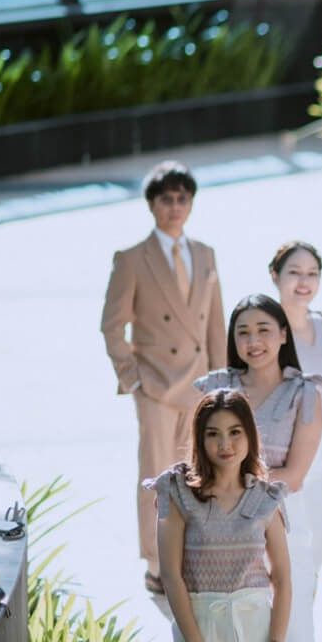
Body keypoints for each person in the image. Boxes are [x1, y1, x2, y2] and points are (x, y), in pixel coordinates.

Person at [195, 295, 322, 642]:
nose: (253, 341)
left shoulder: (305, 393)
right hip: (218, 528)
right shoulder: (217, 387)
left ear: (283, 334)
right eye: (243, 332)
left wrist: (236, 486)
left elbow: (295, 474)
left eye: (263, 330)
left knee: (292, 635)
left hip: (283, 519)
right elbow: (196, 460)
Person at [100, 160, 226, 595]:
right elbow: (111, 326)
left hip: (199, 385)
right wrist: (133, 379)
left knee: (199, 473)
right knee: (156, 475)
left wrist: (220, 381)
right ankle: (156, 562)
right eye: (167, 199)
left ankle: (190, 557)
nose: (175, 206)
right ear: (152, 204)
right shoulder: (132, 258)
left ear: (191, 204)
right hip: (154, 385)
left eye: (182, 199)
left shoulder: (205, 254)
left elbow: (215, 324)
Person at [148, 389, 290, 642]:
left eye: (235, 432)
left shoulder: (265, 497)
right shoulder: (177, 492)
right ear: (199, 439)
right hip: (199, 623)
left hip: (255, 627)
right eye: (213, 434)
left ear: (250, 436)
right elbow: (171, 575)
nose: (225, 444)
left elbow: (282, 578)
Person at [271, 241, 322, 570]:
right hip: (290, 449)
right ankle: (294, 598)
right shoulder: (267, 331)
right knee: (293, 543)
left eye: (312, 273)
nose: (304, 282)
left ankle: (305, 592)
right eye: (294, 272)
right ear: (275, 275)